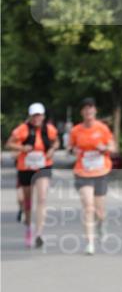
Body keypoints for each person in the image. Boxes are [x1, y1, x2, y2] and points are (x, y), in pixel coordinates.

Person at [6, 103, 59, 248]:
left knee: (42, 198)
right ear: (30, 116)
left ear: (43, 116)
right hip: (26, 167)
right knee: (28, 202)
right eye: (34, 115)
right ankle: (29, 228)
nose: (37, 118)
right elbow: (9, 143)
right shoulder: (22, 129)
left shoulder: (49, 129)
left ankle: (39, 233)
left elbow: (56, 142)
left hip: (43, 166)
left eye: (39, 115)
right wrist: (22, 148)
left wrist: (52, 149)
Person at [68, 98, 117, 255]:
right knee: (88, 207)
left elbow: (113, 147)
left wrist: (105, 148)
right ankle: (90, 243)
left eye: (91, 109)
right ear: (82, 112)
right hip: (83, 171)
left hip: (100, 171)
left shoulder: (102, 128)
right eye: (85, 109)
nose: (88, 112)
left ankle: (101, 224)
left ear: (95, 111)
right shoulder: (76, 130)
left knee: (99, 210)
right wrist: (72, 151)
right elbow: (69, 147)